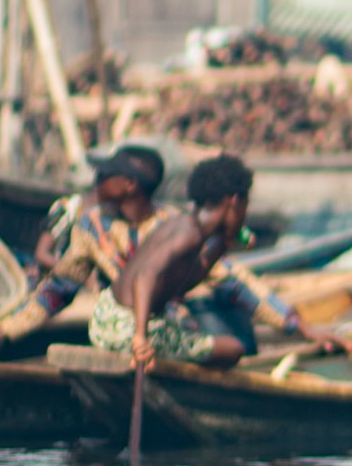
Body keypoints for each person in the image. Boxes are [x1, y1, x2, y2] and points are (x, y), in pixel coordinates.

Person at [0, 146, 159, 354]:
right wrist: (2, 332)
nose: (99, 179)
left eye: (106, 174)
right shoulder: (93, 226)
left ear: (130, 185)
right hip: (119, 331)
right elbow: (59, 287)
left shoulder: (167, 225)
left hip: (158, 330)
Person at [99, 153, 267, 369]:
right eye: (245, 206)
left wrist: (223, 243)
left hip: (108, 317)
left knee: (191, 329)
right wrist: (140, 338)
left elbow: (183, 282)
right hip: (125, 329)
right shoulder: (190, 234)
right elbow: (145, 275)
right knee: (234, 348)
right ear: (234, 201)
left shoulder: (185, 224)